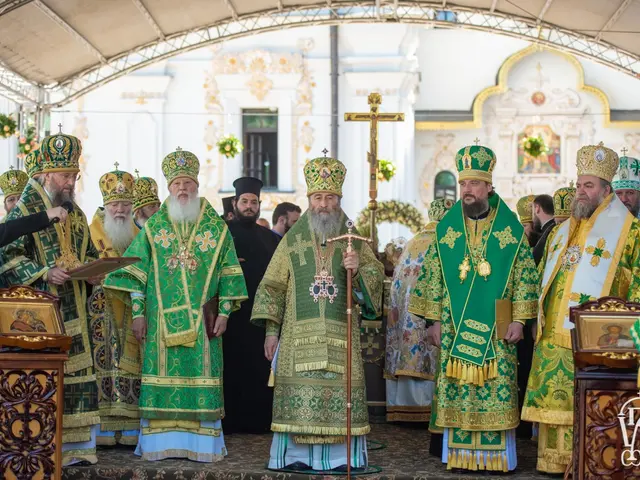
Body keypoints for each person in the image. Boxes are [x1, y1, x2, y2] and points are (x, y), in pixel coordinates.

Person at [104, 148, 248, 462]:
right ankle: (159, 446)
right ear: (169, 188)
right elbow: (137, 273)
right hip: (159, 325)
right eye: (177, 184)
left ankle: (201, 447)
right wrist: (139, 314)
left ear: (197, 186)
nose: (182, 189)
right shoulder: (155, 227)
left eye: (187, 183)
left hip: (202, 324)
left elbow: (229, 272)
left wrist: (224, 312)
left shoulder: (215, 228)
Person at [408, 143, 538, 472]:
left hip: (498, 326)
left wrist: (520, 321)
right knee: (459, 389)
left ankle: (495, 458)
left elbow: (525, 277)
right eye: (463, 184)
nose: (467, 191)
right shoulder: (446, 230)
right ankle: (461, 456)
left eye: (474, 184)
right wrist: (432, 321)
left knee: (494, 386)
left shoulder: (511, 232)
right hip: (453, 328)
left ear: (489, 188)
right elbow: (433, 277)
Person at [251, 155, 384, 472]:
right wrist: (271, 332)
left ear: (339, 199)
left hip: (341, 337)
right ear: (309, 199)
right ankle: (295, 457)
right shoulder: (293, 238)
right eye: (318, 197)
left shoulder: (355, 237)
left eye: (330, 198)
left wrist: (358, 272)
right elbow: (272, 285)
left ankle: (341, 459)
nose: (324, 204)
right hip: (298, 339)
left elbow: (375, 277)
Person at [522, 142, 640, 474]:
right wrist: (535, 317)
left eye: (588, 186)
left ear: (607, 189)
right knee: (553, 402)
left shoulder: (630, 232)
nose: (581, 192)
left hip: (596, 339)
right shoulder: (561, 231)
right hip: (550, 336)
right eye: (578, 185)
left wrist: (630, 334)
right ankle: (551, 462)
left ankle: (584, 461)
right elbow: (542, 277)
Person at [1, 128, 101, 465]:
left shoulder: (75, 212)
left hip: (75, 306)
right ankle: (45, 450)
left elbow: (85, 252)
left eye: (74, 175)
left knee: (78, 373)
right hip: (40, 314)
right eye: (64, 175)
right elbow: (7, 257)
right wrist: (44, 272)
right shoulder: (27, 207)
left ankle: (78, 451)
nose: (70, 182)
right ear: (45, 174)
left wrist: (93, 273)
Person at [385, 198, 453, 424]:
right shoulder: (445, 240)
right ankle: (425, 409)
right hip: (428, 312)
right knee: (427, 351)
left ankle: (402, 409)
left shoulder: (414, 241)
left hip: (405, 314)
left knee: (408, 349)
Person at [223, 176, 280, 434]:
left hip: (260, 316)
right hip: (230, 316)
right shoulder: (221, 236)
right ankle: (230, 421)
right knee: (232, 367)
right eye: (244, 201)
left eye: (253, 202)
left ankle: (260, 421)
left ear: (259, 205)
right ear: (234, 203)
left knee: (260, 367)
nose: (249, 206)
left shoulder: (271, 239)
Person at [88, 164, 141, 446]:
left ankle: (131, 427)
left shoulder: (139, 234)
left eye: (125, 204)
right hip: (100, 308)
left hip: (132, 309)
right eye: (115, 204)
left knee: (129, 363)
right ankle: (105, 430)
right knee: (104, 362)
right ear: (105, 205)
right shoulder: (90, 232)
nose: (120, 210)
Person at [532, 194, 555, 265]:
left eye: (532, 211)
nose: (532, 216)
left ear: (537, 208)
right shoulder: (552, 227)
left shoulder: (550, 230)